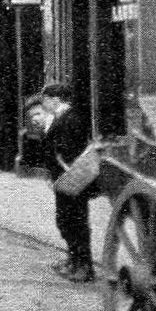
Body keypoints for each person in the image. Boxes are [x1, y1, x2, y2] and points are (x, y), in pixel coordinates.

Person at [41, 82, 95, 282]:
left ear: (55, 99)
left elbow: (70, 150)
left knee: (76, 222)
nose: (43, 104)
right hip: (62, 178)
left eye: (45, 100)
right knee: (65, 221)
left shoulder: (71, 118)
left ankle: (84, 266)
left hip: (73, 178)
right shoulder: (60, 117)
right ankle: (73, 259)